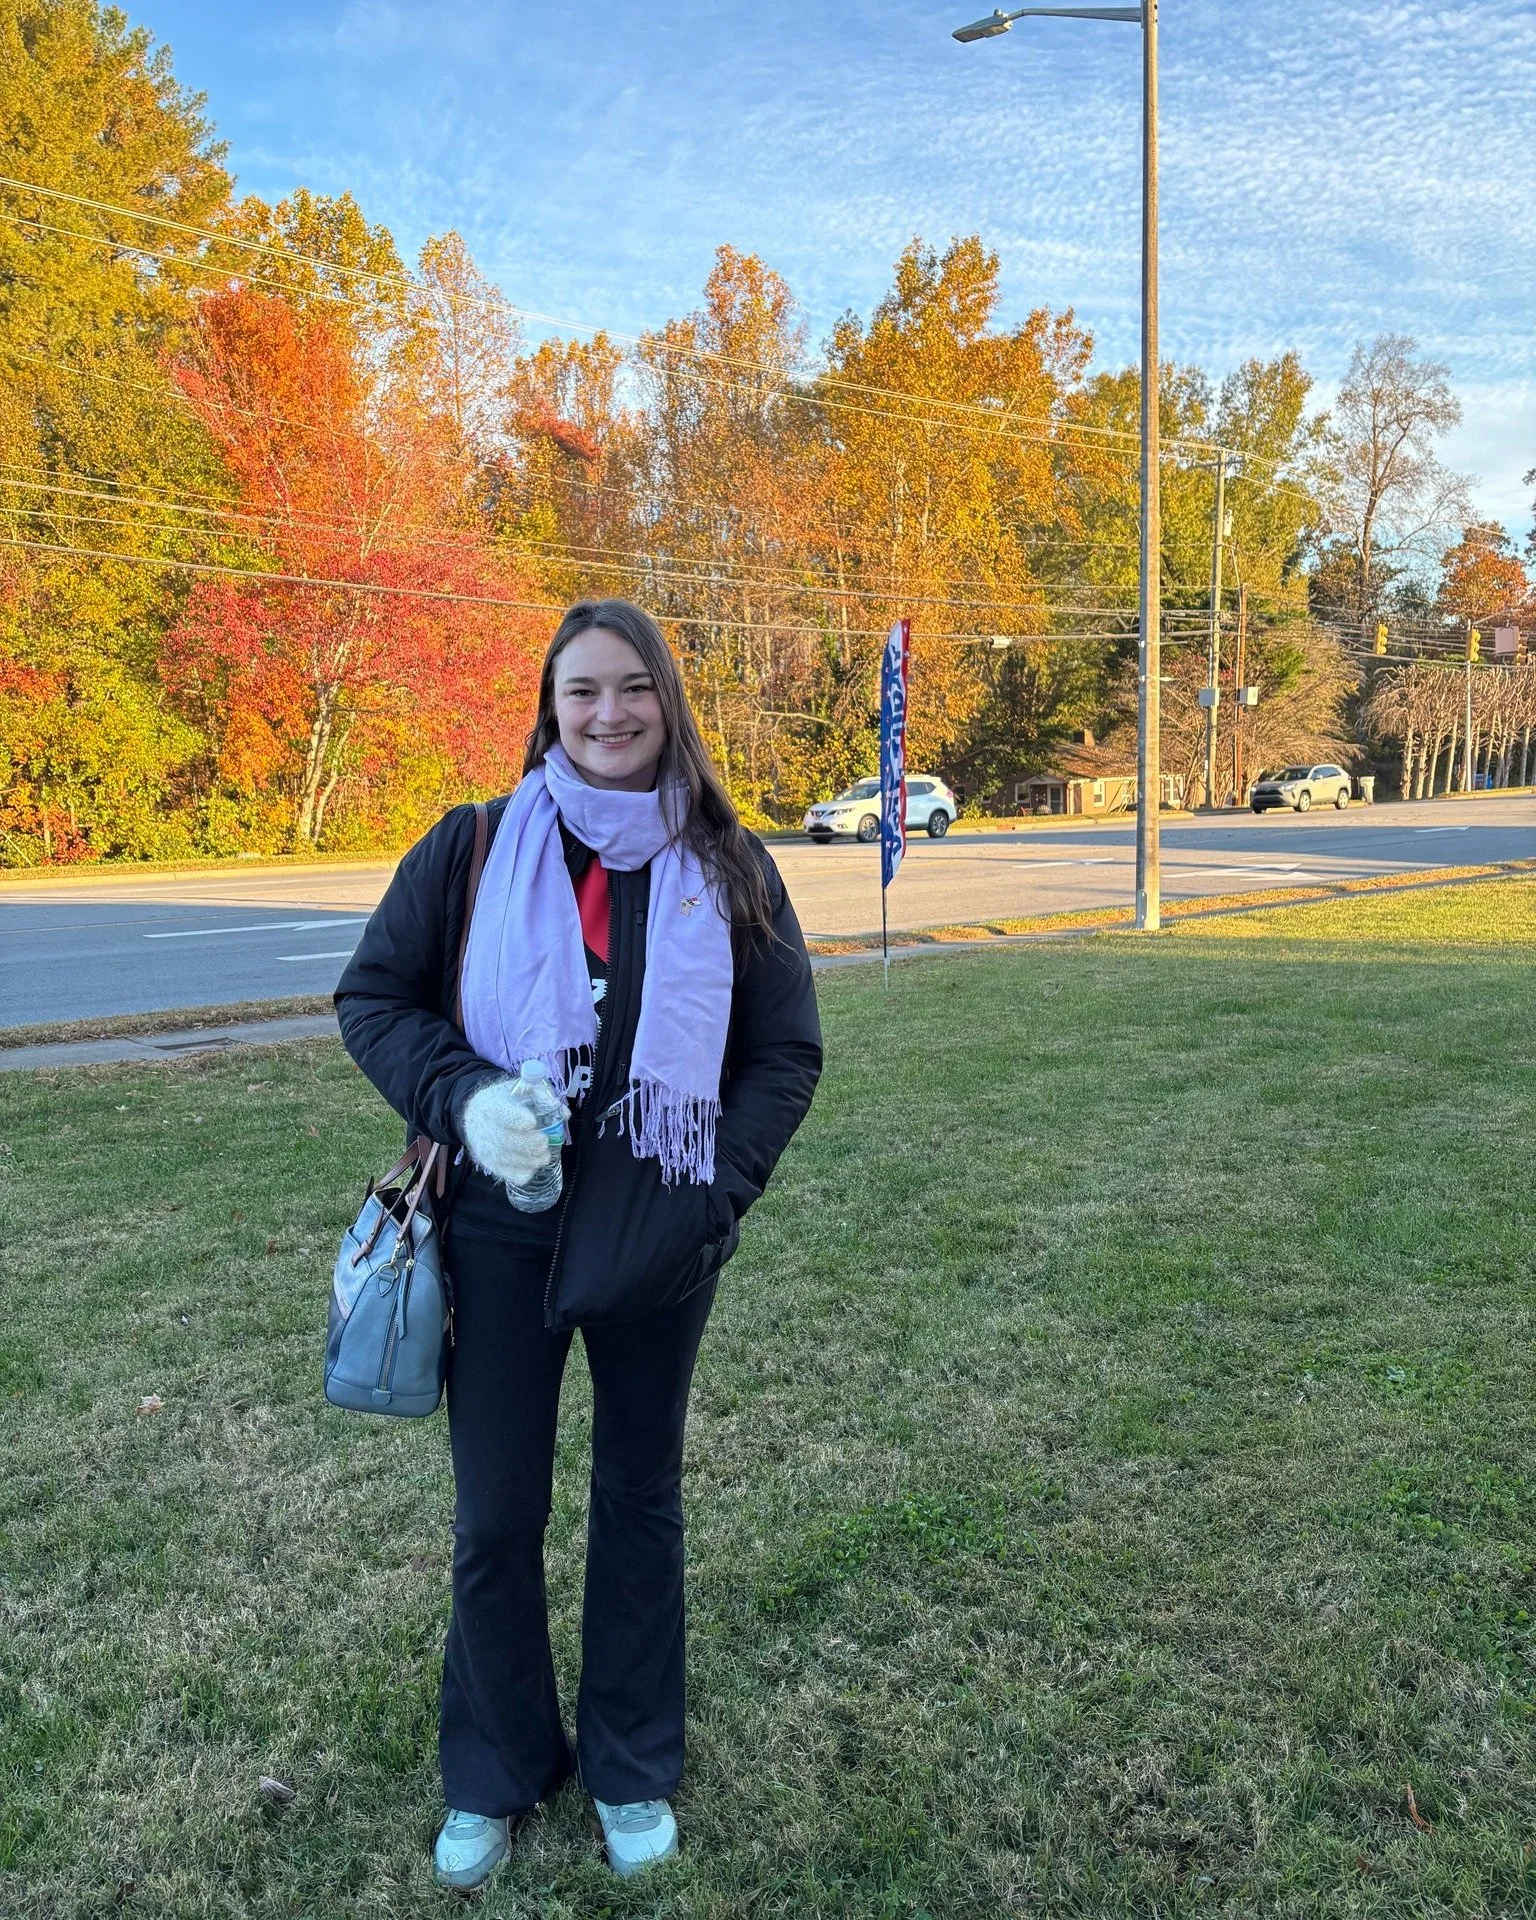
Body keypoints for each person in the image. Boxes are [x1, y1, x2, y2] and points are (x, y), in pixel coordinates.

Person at [335, 598, 822, 1889]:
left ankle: (630, 1763)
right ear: (550, 711)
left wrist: (714, 1195)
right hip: (499, 1227)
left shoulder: (729, 863)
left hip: (661, 1228)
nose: (609, 714)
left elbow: (783, 1052)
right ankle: (494, 1772)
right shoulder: (475, 844)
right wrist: (463, 1100)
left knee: (638, 1499)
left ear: (670, 700)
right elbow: (373, 998)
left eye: (632, 687)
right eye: (582, 692)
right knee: (496, 1515)